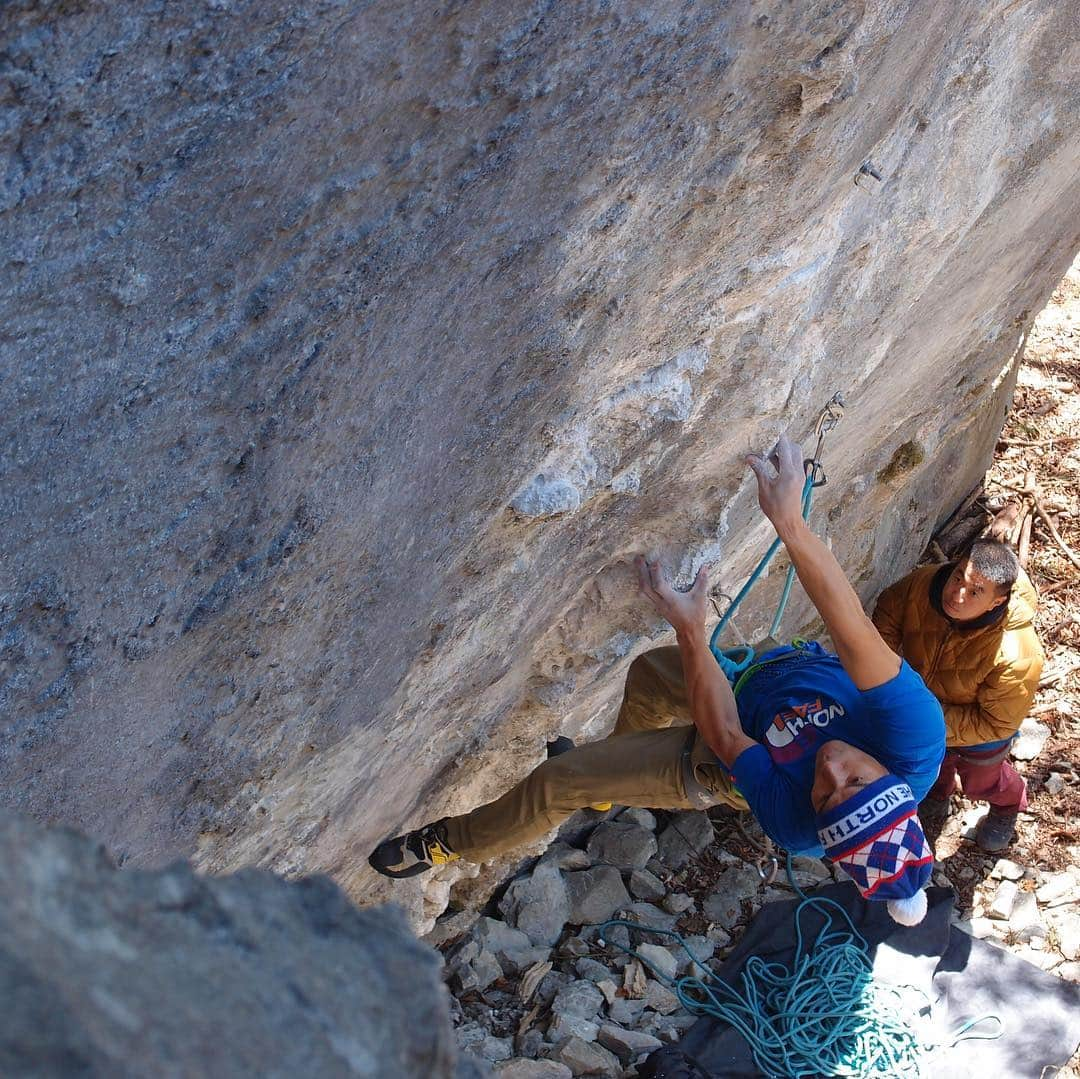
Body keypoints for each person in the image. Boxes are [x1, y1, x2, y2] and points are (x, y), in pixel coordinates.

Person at [370, 436, 946, 923]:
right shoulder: (914, 738)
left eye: (827, 793)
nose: (831, 769)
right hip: (770, 680)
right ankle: (607, 787)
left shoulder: (799, 825)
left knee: (559, 780)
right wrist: (790, 524)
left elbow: (723, 736)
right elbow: (852, 632)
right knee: (649, 676)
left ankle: (446, 842)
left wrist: (692, 630)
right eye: (858, 778)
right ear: (893, 778)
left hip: (717, 756)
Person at [872, 538, 1044, 851]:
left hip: (978, 730)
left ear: (996, 601)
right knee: (931, 763)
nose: (956, 594)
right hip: (919, 708)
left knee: (982, 780)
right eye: (957, 577)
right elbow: (888, 613)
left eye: (975, 591)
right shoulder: (925, 584)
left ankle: (1007, 805)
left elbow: (996, 724)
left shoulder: (1017, 654)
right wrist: (883, 673)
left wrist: (923, 717)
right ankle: (938, 794)